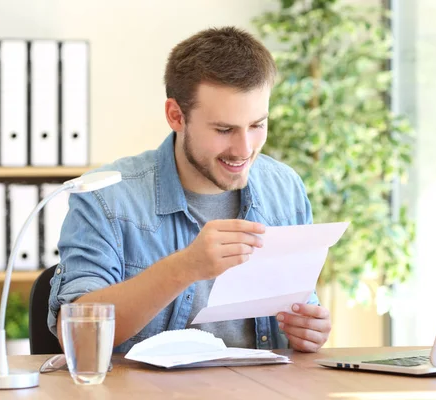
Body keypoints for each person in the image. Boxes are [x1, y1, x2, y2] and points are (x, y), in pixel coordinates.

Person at [47, 26, 331, 353]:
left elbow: (302, 306)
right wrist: (185, 267)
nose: (244, 149)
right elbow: (79, 338)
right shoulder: (106, 197)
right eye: (224, 130)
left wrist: (310, 328)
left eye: (257, 125)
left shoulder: (285, 188)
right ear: (176, 116)